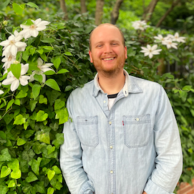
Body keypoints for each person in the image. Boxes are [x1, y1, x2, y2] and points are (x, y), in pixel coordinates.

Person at [60, 23, 182, 194]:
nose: (107, 50)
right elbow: (70, 159)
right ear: (91, 55)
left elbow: (170, 156)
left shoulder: (153, 95)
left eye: (114, 43)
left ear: (125, 52)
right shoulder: (77, 100)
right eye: (99, 45)